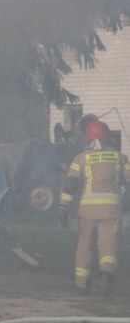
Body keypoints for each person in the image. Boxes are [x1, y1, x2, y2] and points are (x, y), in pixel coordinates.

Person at [57, 120, 130, 298]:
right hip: (111, 211)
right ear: (107, 138)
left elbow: (70, 185)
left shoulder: (80, 158)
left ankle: (81, 285)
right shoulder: (119, 157)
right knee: (108, 247)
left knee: (85, 246)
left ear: (88, 138)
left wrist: (63, 207)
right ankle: (106, 276)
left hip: (87, 212)